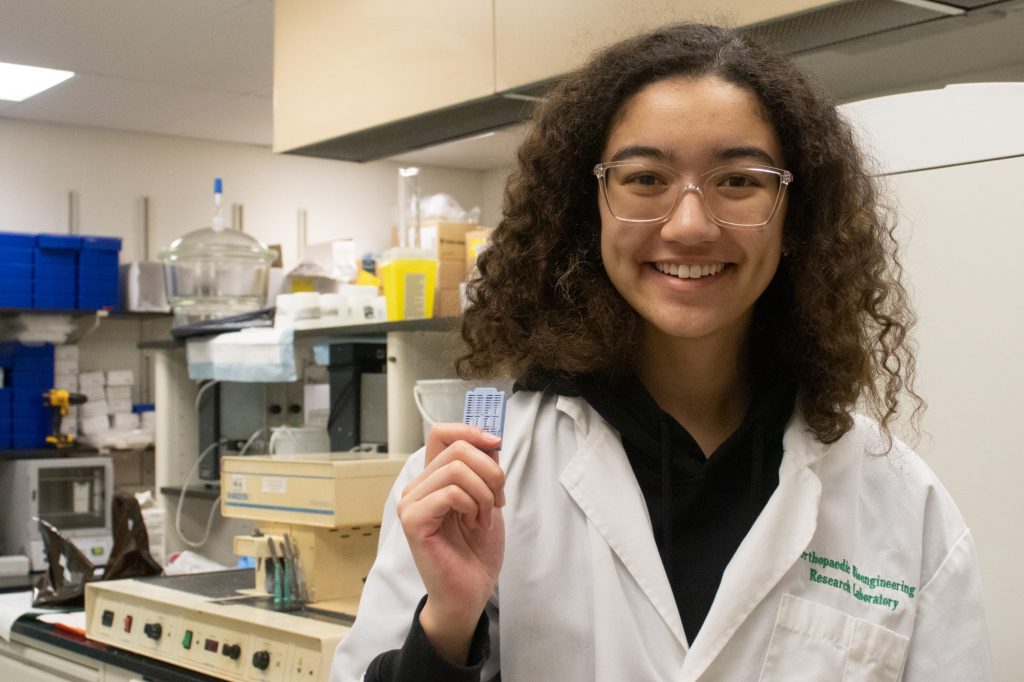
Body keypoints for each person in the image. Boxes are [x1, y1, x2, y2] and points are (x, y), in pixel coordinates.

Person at [330, 22, 991, 682]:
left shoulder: (899, 503)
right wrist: (448, 623)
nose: (691, 225)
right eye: (645, 178)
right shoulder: (478, 487)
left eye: (739, 181)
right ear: (591, 211)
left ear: (797, 214)